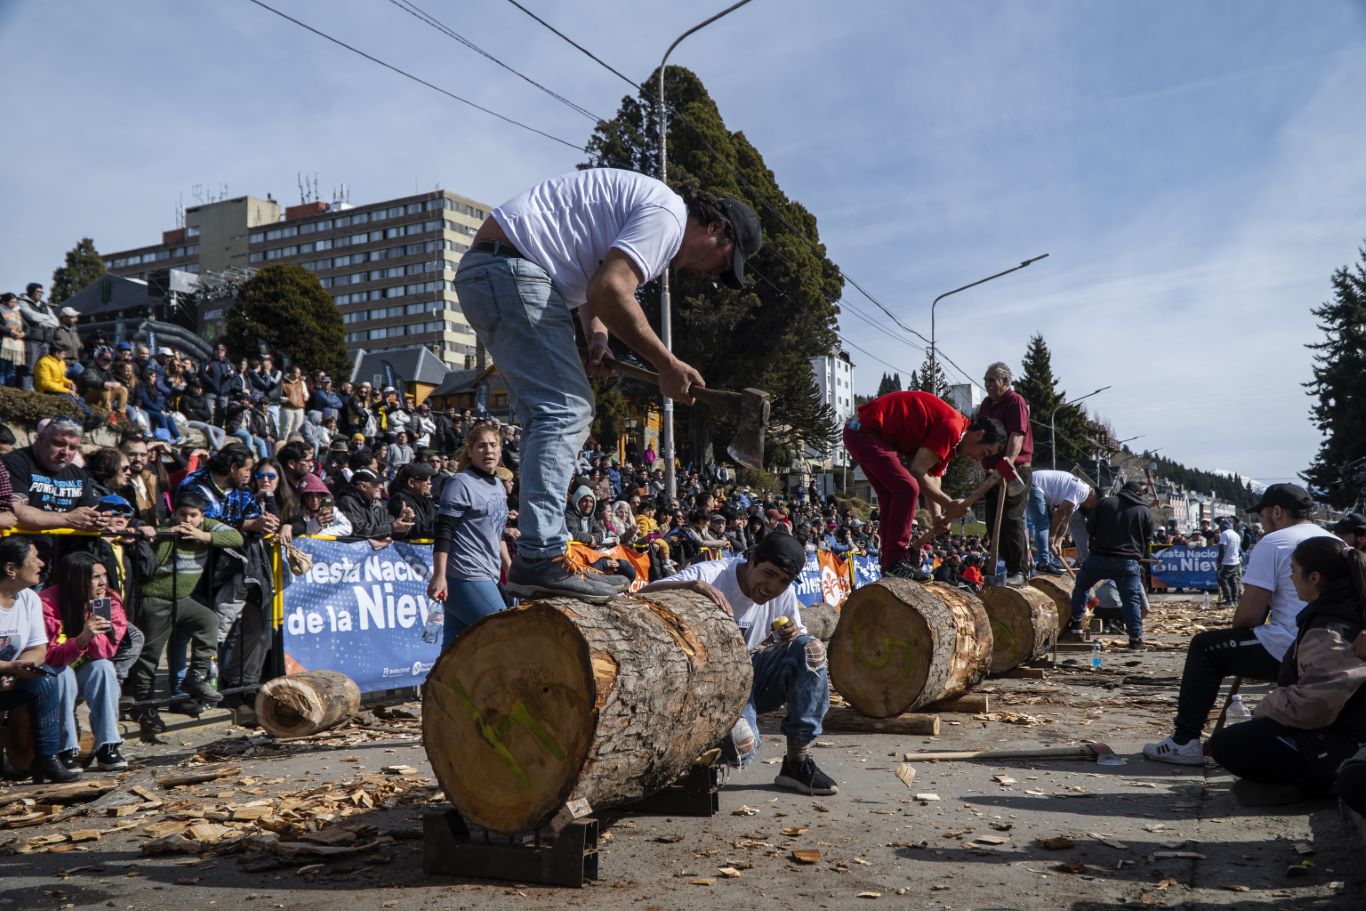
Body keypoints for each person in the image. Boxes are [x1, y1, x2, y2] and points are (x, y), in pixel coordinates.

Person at [456, 169, 760, 602]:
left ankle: (542, 553)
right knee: (566, 410)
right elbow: (611, 287)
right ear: (716, 229)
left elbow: (592, 279)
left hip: (498, 270)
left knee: (552, 412)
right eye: (723, 262)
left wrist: (597, 336)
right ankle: (540, 556)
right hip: (510, 271)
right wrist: (666, 364)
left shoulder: (653, 210)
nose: (712, 274)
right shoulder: (670, 217)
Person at [1144, 483, 1338, 765]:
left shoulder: (1274, 542)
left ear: (1277, 511)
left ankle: (1184, 740)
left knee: (1206, 648)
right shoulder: (1331, 539)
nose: (1261, 523)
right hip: (1334, 646)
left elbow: (1249, 616)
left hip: (1292, 645)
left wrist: (1238, 637)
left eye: (1261, 516)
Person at [640, 532, 836, 796]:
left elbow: (796, 638)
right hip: (708, 683)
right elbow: (640, 595)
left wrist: (791, 633)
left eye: (783, 580)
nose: (772, 587)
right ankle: (687, 761)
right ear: (752, 558)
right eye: (768, 573)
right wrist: (690, 587)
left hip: (749, 671)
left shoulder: (783, 593)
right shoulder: (711, 574)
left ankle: (797, 761)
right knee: (743, 746)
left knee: (810, 650)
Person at [1206, 538, 1366, 805]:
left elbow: (1315, 706)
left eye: (1293, 570)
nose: (1290, 578)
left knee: (1230, 744)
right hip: (1338, 730)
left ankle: (1316, 784)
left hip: (1341, 740)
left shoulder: (1330, 628)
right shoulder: (1339, 608)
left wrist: (1267, 707)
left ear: (1314, 578)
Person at [842, 390, 1007, 581]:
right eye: (984, 452)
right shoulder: (952, 427)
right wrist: (948, 503)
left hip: (867, 433)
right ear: (979, 434)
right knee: (907, 488)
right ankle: (895, 561)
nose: (979, 459)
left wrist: (936, 516)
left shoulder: (956, 439)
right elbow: (918, 471)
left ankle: (888, 563)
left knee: (891, 496)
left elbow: (933, 475)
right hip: (863, 430)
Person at [128, 491, 243, 733]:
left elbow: (236, 538)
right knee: (150, 655)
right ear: (174, 514)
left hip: (182, 599)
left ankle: (195, 676)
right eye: (182, 514)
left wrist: (204, 536)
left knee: (208, 620)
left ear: (202, 516)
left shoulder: (205, 527)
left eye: (193, 515)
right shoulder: (167, 531)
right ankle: (145, 706)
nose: (187, 520)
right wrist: (160, 537)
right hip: (155, 599)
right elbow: (152, 562)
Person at [40, 552, 131, 771]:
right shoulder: (46, 602)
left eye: (104, 575)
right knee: (61, 673)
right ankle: (65, 749)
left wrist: (91, 620)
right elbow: (48, 655)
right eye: (95, 577)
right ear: (76, 579)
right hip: (56, 669)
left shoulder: (108, 601)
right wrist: (82, 637)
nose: (102, 583)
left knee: (104, 668)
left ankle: (107, 746)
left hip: (86, 668)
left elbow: (105, 651)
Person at [0, 537, 79, 782]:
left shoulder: (30, 598)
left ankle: (47, 759)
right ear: (11, 569)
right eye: (34, 559)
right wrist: (7, 668)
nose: (42, 564)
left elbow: (38, 648)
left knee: (46, 681)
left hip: (11, 678)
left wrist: (20, 669)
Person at [427, 422, 512, 649]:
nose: (488, 451)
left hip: (489, 574)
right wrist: (439, 576)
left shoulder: (498, 485)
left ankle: (438, 685)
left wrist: (508, 567)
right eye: (481, 446)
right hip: (464, 575)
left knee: (455, 651)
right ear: (471, 452)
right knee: (505, 634)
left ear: (500, 450)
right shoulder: (460, 483)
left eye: (493, 445)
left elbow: (498, 532)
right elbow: (444, 532)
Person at [1064, 481, 1154, 649]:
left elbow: (1090, 527)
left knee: (1082, 586)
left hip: (1100, 557)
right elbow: (1147, 540)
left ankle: (1076, 624)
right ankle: (1135, 639)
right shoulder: (1145, 511)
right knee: (1131, 600)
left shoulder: (1105, 503)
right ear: (1138, 494)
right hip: (1128, 562)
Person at [974, 363, 1034, 585]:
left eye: (992, 380)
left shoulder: (1015, 401)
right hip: (991, 472)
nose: (988, 385)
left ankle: (1020, 570)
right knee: (992, 522)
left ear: (1005, 382)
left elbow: (1016, 436)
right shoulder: (987, 405)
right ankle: (1008, 567)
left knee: (1010, 518)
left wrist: (1007, 464)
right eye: (986, 380)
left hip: (1015, 469)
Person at [1027, 469, 1095, 574]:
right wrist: (1052, 536)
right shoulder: (1083, 491)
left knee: (1049, 525)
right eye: (1092, 504)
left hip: (1039, 488)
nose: (1089, 507)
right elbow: (1060, 512)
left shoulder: (1079, 499)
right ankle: (1044, 563)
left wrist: (1059, 540)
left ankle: (1048, 560)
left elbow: (1065, 521)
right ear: (1092, 495)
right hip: (1034, 484)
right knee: (1043, 525)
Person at [337, 468, 411, 539]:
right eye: (376, 483)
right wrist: (392, 527)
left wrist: (403, 521)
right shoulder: (347, 500)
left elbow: (389, 529)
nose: (381, 487)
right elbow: (358, 530)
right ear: (363, 486)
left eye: (381, 483)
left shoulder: (377, 504)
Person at [17, 283, 57, 392]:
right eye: (38, 292)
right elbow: (32, 316)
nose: (41, 294)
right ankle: (26, 391)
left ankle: (38, 392)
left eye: (42, 292)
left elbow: (55, 322)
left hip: (45, 341)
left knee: (41, 368)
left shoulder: (44, 305)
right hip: (32, 339)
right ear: (31, 292)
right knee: (29, 367)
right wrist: (47, 318)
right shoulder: (22, 302)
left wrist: (40, 321)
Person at [389, 463, 437, 540]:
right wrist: (442, 527)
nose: (429, 483)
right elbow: (413, 528)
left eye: (430, 479)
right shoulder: (399, 499)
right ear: (411, 482)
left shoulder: (426, 500)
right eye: (426, 479)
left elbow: (433, 518)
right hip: (406, 549)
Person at [1215, 517, 1244, 605]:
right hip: (1236, 561)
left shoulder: (1224, 534)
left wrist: (1219, 561)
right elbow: (1239, 550)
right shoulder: (1236, 534)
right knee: (1233, 580)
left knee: (1222, 579)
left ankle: (1228, 600)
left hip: (1227, 561)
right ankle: (1235, 600)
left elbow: (1222, 548)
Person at [0, 292, 26, 388]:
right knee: (2, 368)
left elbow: (27, 327)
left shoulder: (17, 313)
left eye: (15, 302)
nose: (14, 304)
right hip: (3, 343)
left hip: (15, 346)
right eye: (12, 302)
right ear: (5, 301)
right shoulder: (1, 310)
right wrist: (10, 331)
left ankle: (10, 390)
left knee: (12, 369)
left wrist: (24, 333)